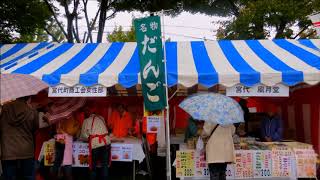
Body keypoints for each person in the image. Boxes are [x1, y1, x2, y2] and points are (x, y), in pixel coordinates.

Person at [0, 96, 39, 180]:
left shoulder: (4, 109)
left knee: (9, 177)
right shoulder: (32, 111)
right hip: (27, 151)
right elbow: (35, 128)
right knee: (27, 177)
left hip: (8, 151)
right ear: (28, 97)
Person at [80, 105, 111, 180]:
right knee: (104, 164)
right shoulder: (101, 118)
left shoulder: (86, 121)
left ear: (87, 113)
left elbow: (83, 135)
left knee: (93, 165)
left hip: (96, 144)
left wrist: (87, 138)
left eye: (85, 112)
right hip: (106, 142)